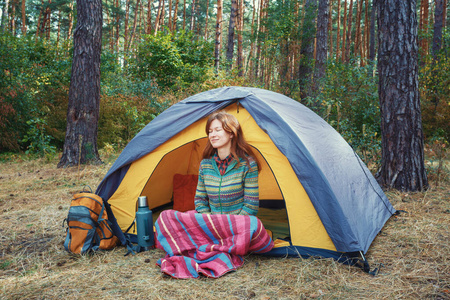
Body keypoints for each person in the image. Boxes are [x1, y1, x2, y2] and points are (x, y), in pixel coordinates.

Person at [194, 111, 260, 216]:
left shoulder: (248, 164)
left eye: (217, 130)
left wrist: (229, 226)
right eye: (210, 131)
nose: (212, 135)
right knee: (168, 216)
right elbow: (200, 200)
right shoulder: (205, 165)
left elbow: (251, 206)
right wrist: (210, 222)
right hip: (211, 223)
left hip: (238, 224)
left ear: (231, 133)